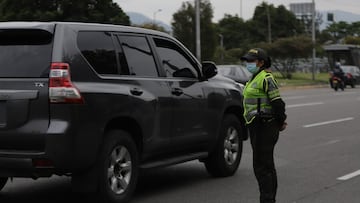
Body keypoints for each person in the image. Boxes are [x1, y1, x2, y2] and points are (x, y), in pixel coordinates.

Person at [240, 48, 287, 203]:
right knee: (264, 166)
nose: (248, 63)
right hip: (256, 127)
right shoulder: (254, 78)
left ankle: (267, 200)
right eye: (247, 61)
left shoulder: (266, 78)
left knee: (262, 167)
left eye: (251, 61)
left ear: (261, 62)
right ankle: (268, 199)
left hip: (265, 126)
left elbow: (278, 103)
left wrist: (280, 122)